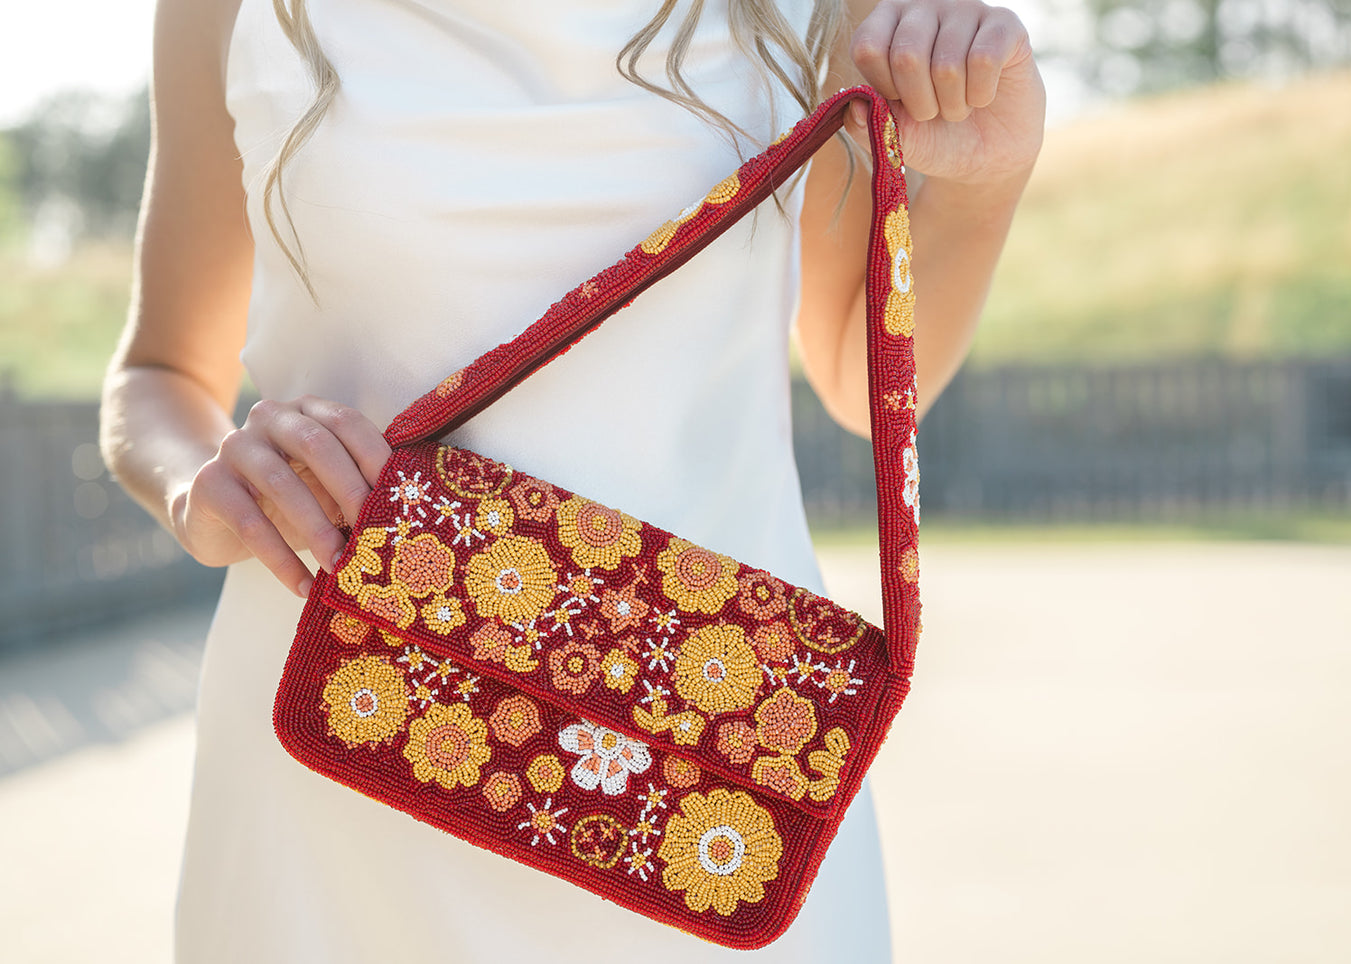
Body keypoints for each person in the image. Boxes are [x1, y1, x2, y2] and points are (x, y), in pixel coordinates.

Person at [100, 0, 1044, 959]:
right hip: (332, 778)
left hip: (704, 765)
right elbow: (162, 374)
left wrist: (983, 182)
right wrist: (199, 494)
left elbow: (860, 367)